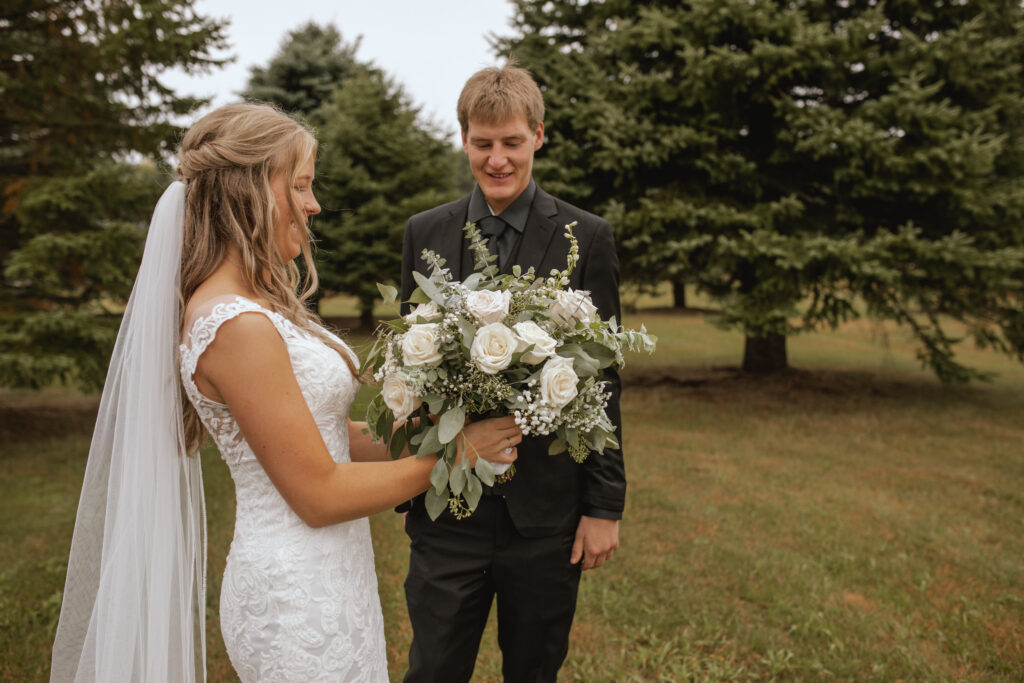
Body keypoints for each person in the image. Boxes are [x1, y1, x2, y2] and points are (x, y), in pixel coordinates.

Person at [49, 102, 519, 683]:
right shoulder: (235, 325)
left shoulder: (256, 306)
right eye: (299, 184)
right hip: (295, 594)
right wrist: (456, 456)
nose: (315, 203)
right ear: (246, 191)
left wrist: (430, 429)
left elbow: (324, 437)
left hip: (330, 573)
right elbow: (318, 492)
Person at [399, 64, 626, 682]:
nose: (497, 159)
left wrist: (604, 506)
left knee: (534, 671)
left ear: (538, 136)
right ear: (464, 139)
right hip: (449, 511)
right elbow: (411, 366)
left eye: (512, 143)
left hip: (546, 516)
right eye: (483, 143)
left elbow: (603, 380)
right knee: (433, 670)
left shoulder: (588, 237)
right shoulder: (426, 233)